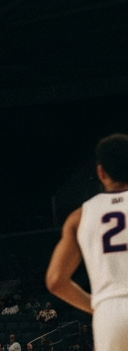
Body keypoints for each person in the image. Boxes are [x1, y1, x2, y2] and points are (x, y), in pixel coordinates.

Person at [46, 133, 128, 351]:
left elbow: (55, 280)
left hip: (109, 314)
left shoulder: (79, 217)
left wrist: (100, 306)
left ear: (100, 172)